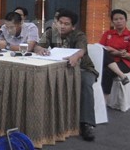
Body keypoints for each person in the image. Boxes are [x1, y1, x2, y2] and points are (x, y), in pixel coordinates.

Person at [34, 9, 98, 141]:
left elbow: (81, 50)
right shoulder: (51, 33)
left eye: (66, 24)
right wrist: (41, 49)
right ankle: (51, 120)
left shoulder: (79, 35)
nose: (62, 26)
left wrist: (75, 56)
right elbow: (37, 47)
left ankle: (86, 124)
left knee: (85, 84)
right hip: (59, 69)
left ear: (73, 26)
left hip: (83, 69)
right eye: (60, 22)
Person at [98, 9, 130, 94]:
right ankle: (122, 76)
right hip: (107, 60)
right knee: (102, 53)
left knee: (106, 71)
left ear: (126, 20)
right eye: (116, 19)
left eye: (121, 19)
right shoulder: (107, 34)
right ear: (112, 22)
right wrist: (119, 52)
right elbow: (101, 49)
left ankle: (105, 100)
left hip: (123, 63)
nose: (119, 21)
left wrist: (114, 51)